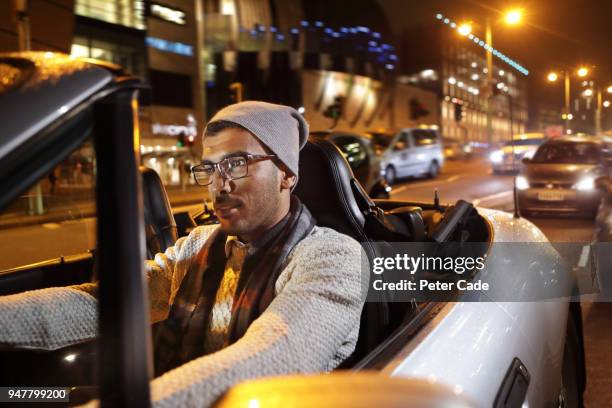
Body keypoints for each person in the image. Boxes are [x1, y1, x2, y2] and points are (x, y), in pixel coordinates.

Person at [0, 101, 367, 407]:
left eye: (237, 164)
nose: (219, 186)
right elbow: (108, 303)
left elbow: (275, 355)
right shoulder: (199, 246)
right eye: (209, 168)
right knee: (21, 397)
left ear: (286, 174)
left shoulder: (331, 257)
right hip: (165, 394)